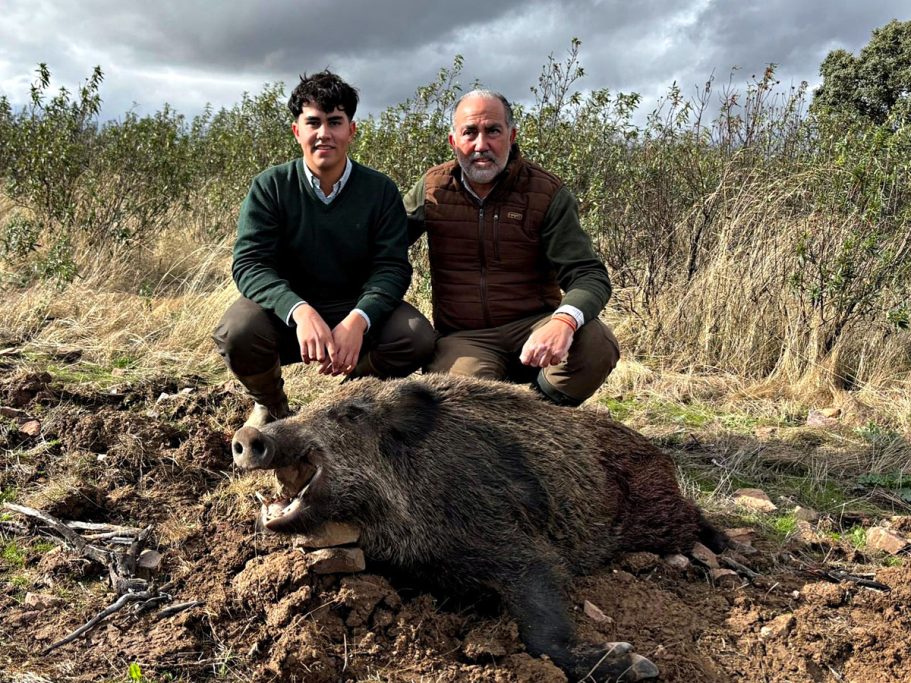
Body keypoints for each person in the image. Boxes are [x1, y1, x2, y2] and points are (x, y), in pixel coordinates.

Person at [214, 70, 435, 427]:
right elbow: (250, 264)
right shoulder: (271, 186)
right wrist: (299, 311)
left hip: (353, 307)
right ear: (296, 131)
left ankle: (341, 404)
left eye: (335, 122)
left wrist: (359, 321)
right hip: (288, 315)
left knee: (416, 337)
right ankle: (271, 405)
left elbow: (392, 268)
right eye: (313, 122)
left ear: (351, 130)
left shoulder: (379, 191)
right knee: (237, 330)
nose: (324, 134)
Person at [404, 89, 619, 407]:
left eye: (492, 131)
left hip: (535, 326)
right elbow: (383, 246)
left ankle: (542, 411)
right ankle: (511, 423)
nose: (481, 145)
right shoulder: (433, 188)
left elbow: (588, 274)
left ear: (511, 135)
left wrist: (563, 322)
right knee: (459, 402)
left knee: (597, 343)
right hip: (465, 337)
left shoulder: (546, 192)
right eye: (469, 132)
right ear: (453, 141)